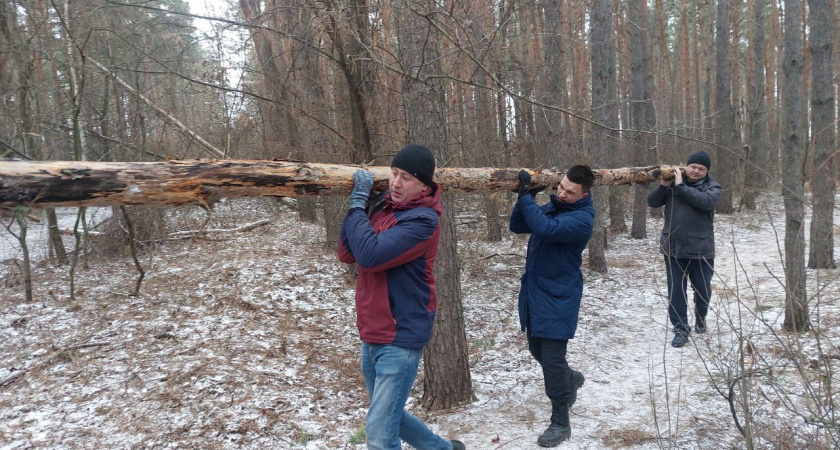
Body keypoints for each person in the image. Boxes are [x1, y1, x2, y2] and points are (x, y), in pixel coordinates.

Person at [338, 144, 466, 450]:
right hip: (372, 328)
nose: (395, 182)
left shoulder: (423, 221)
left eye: (406, 177)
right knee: (387, 414)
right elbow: (346, 253)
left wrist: (357, 207)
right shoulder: (384, 207)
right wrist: (363, 208)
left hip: (400, 335)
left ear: (423, 184)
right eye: (394, 173)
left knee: (380, 434)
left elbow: (369, 256)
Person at [509, 165, 596, 447]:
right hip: (536, 292)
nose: (561, 193)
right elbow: (519, 225)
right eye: (560, 186)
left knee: (553, 358)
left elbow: (544, 229)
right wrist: (528, 197)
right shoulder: (555, 206)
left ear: (584, 194)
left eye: (569, 192)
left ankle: (560, 421)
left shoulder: (582, 218)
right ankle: (570, 378)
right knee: (537, 349)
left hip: (560, 295)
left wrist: (526, 197)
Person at [647, 150, 721, 348]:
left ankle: (701, 317)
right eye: (693, 167)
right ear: (686, 166)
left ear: (707, 171)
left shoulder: (712, 187)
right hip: (673, 247)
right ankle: (680, 328)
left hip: (701, 249)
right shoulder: (672, 182)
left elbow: (705, 203)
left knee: (703, 290)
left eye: (701, 169)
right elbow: (652, 202)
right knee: (676, 290)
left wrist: (680, 186)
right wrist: (664, 186)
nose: (696, 171)